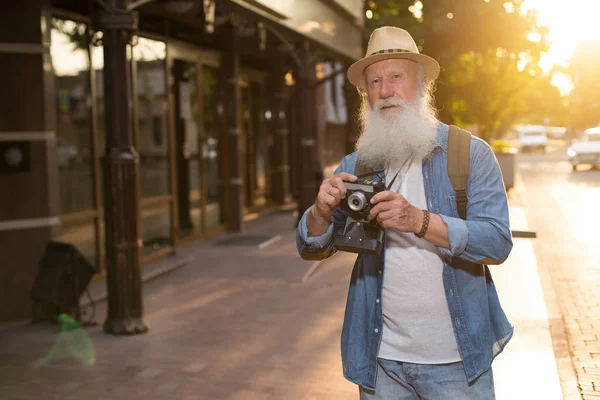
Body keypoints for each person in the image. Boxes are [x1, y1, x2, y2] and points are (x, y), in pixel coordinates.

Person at [296, 26, 513, 399]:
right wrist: (318, 210)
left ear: (422, 82)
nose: (385, 91)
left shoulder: (469, 154)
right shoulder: (357, 163)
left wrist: (420, 221)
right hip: (381, 363)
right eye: (375, 81)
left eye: (397, 76)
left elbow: (497, 242)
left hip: (456, 362)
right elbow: (313, 246)